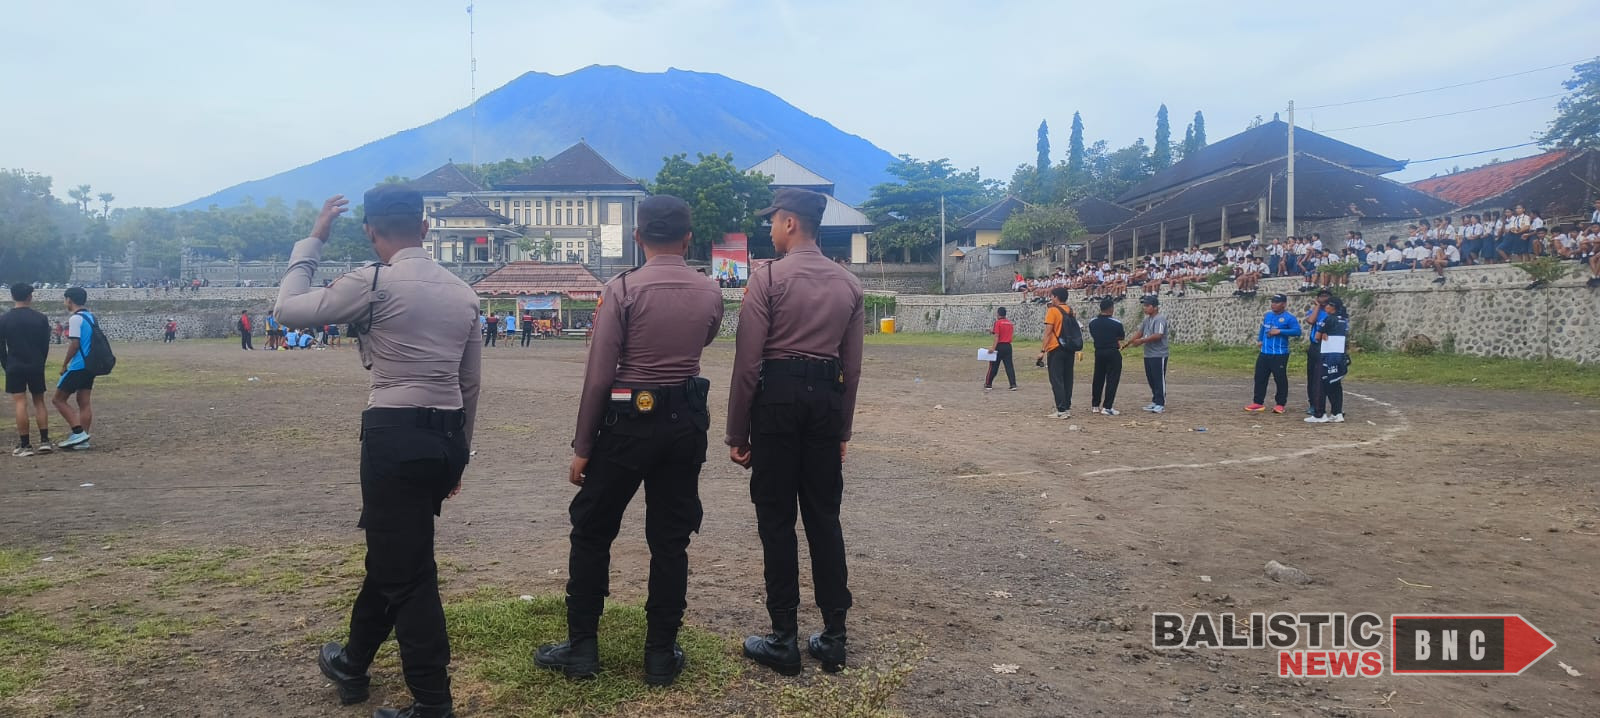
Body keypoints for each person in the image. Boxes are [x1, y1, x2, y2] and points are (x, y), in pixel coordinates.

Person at [281, 190, 481, 718]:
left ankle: (433, 702)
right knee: (396, 553)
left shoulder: (372, 282)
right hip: (445, 435)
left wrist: (316, 237)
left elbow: (287, 309)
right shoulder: (463, 292)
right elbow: (469, 382)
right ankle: (353, 661)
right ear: (425, 227)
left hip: (394, 434)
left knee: (409, 574)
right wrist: (460, 453)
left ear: (370, 231)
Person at [535, 196, 724, 687]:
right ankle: (660, 654)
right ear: (688, 238)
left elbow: (600, 376)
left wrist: (583, 447)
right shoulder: (710, 290)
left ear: (637, 237)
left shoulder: (621, 289)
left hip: (626, 425)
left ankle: (582, 649)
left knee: (592, 530)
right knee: (670, 539)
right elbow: (704, 340)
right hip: (685, 423)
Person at [727, 188, 864, 676]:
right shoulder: (849, 284)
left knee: (777, 521)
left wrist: (737, 432)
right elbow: (852, 368)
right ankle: (834, 636)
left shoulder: (767, 279)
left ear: (789, 223)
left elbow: (748, 364)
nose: (770, 230)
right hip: (826, 401)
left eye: (773, 221)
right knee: (825, 519)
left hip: (778, 401)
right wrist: (843, 428)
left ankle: (783, 638)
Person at [1, 283, 54, 456]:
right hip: (35, 363)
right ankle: (45, 441)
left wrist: (6, 364)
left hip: (14, 364)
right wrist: (41, 361)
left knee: (20, 402)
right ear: (30, 297)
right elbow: (45, 344)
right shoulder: (40, 318)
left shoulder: (4, 319)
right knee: (39, 401)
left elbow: (1, 347)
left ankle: (25, 444)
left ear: (12, 296)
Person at [52, 287, 96, 450]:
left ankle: (78, 432)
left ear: (69, 300)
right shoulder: (91, 317)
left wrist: (65, 364)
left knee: (58, 399)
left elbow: (75, 344)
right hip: (90, 365)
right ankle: (83, 440)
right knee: (84, 402)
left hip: (78, 365)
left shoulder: (76, 319)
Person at [1246, 293, 1301, 414]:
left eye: (1277, 302)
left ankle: (1280, 404)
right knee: (1260, 377)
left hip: (1279, 354)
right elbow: (1263, 328)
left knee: (1280, 379)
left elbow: (1297, 331)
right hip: (1264, 353)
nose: (1273, 304)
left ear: (1284, 304)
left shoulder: (1289, 318)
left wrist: (1280, 331)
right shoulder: (1268, 315)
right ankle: (1258, 402)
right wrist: (1260, 339)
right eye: (1272, 302)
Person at [1036, 287, 1080, 419]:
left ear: (1056, 297)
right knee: (1068, 378)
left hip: (1056, 348)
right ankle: (1066, 407)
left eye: (1052, 296)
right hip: (1069, 348)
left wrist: (1042, 351)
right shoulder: (1070, 310)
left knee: (1056, 379)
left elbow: (1048, 332)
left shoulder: (1052, 311)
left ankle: (1061, 410)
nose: (1051, 299)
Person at [1307, 296, 1350, 424]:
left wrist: (1323, 333)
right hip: (1339, 356)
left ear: (1333, 307)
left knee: (1319, 384)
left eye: (1328, 305)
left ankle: (1319, 414)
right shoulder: (1344, 320)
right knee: (1335, 384)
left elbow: (1317, 336)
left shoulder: (1329, 319)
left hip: (1327, 355)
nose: (1325, 307)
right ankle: (1337, 413)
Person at [1122, 295, 1168, 413]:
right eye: (1144, 305)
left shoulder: (1159, 319)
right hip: (1148, 354)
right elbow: (1140, 333)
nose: (1145, 308)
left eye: (1147, 306)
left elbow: (1158, 335)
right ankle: (1155, 400)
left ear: (1155, 307)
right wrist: (1129, 342)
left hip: (1158, 354)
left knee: (1158, 378)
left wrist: (1141, 341)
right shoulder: (1147, 320)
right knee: (1151, 378)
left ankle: (1160, 403)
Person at [1087, 297, 1125, 416]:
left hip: (1099, 351)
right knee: (1112, 379)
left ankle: (1095, 405)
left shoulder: (1093, 322)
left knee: (1098, 378)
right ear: (1111, 309)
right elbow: (1121, 336)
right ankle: (1107, 406)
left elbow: (1093, 334)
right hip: (1112, 351)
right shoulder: (1116, 323)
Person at [1303, 290, 1331, 415]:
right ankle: (1313, 404)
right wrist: (1317, 306)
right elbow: (1310, 321)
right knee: (1312, 377)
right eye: (1321, 296)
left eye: (1326, 296)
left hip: (1328, 347)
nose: (1323, 299)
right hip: (1315, 346)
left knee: (1328, 377)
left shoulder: (1332, 313)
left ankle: (1334, 406)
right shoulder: (1315, 311)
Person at [983, 307, 1017, 392]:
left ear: (998, 314)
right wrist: (992, 331)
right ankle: (1013, 384)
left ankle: (988, 384)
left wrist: (993, 348)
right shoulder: (1009, 323)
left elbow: (997, 336)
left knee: (993, 366)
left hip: (999, 346)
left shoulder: (998, 322)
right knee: (1009, 366)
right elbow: (1003, 332)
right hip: (1008, 346)